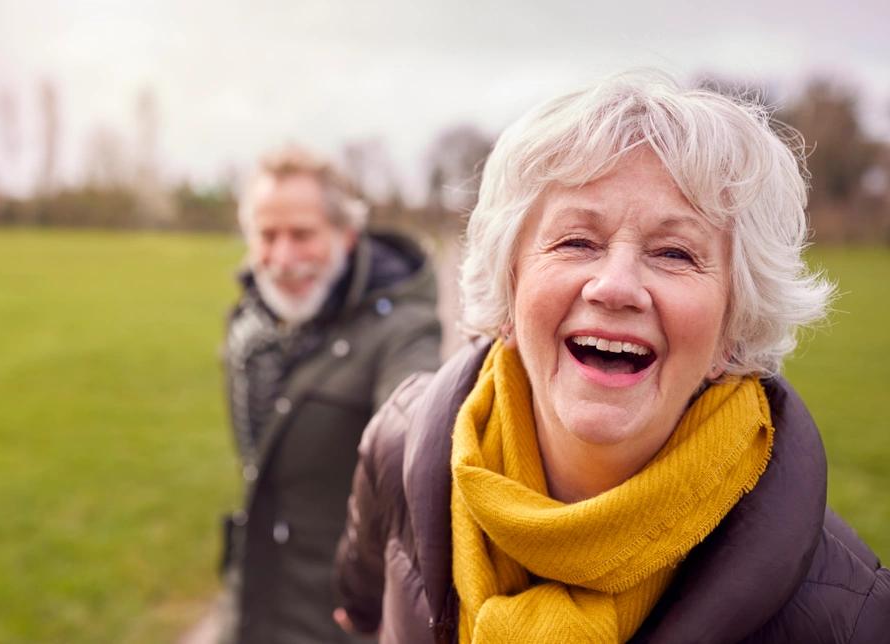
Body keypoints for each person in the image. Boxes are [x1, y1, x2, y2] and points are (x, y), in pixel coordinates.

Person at [333, 71, 890, 643]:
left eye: (674, 253)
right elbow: (361, 605)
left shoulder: (853, 618)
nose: (615, 286)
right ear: (509, 287)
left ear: (734, 326)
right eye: (577, 241)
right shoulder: (399, 444)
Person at [219, 146, 442, 643]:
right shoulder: (249, 326)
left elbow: (415, 427)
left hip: (338, 623)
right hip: (249, 608)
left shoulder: (404, 330)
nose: (282, 258)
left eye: (302, 234)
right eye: (266, 236)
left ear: (345, 234)